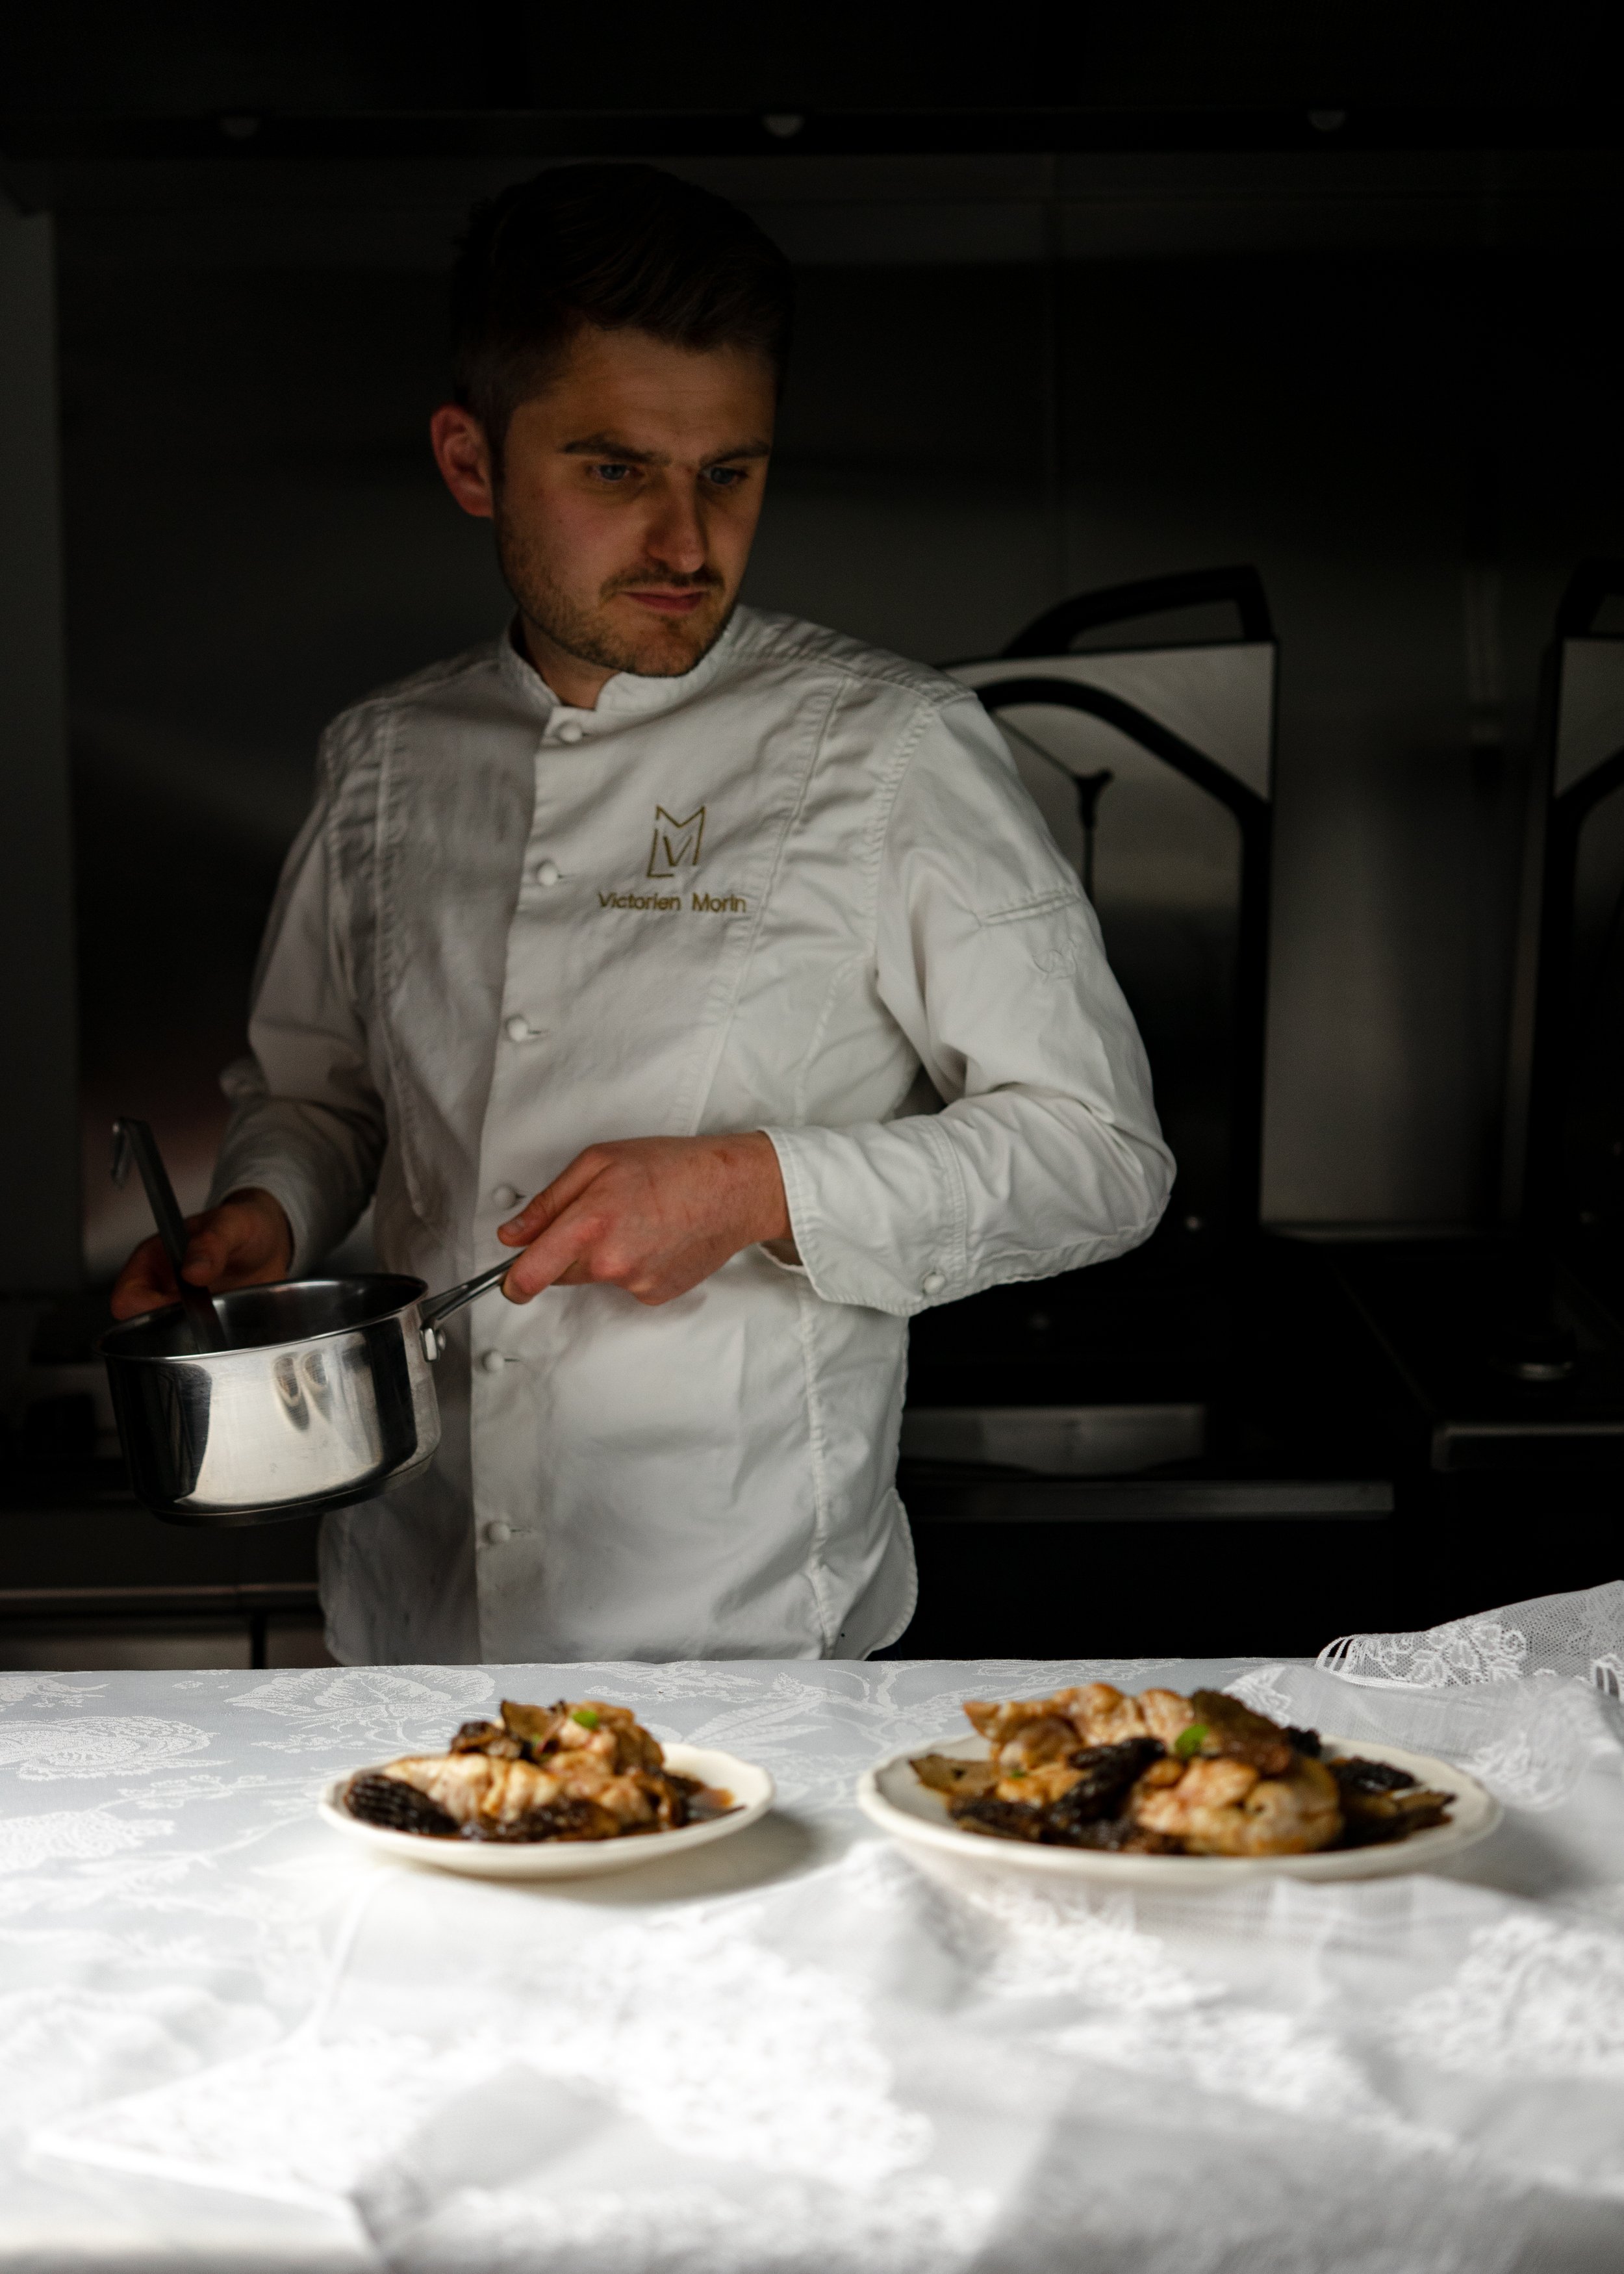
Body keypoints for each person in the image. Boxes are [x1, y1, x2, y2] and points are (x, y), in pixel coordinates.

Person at [111, 164, 1173, 1664]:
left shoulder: (889, 748)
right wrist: (267, 1210)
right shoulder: (385, 760)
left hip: (739, 1643)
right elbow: (326, 1096)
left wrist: (755, 1190)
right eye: (614, 470)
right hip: (414, 1621)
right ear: (471, 461)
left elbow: (1100, 1156)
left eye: (728, 471)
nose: (686, 542)